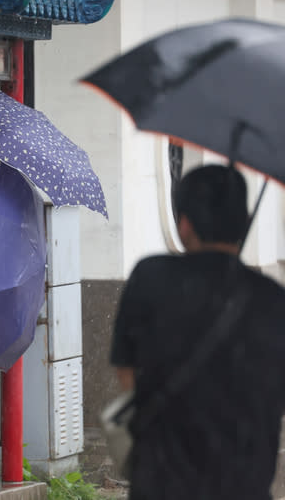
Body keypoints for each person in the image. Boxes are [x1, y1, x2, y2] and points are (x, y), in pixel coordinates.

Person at [110, 164, 285, 500]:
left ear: (185, 223)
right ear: (243, 223)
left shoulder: (151, 277)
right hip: (243, 485)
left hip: (161, 481)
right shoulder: (272, 299)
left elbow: (126, 372)